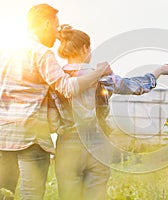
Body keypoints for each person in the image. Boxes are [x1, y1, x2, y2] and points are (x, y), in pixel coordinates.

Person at [0, 4, 112, 200]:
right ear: (45, 23)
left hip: (3, 135)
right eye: (55, 26)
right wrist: (98, 72)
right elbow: (68, 88)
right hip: (30, 136)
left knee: (4, 192)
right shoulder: (42, 53)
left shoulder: (6, 52)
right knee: (31, 195)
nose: (56, 32)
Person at [51, 25, 168, 200]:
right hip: (97, 143)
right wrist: (160, 70)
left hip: (67, 143)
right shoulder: (103, 77)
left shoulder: (56, 79)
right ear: (85, 48)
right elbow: (138, 85)